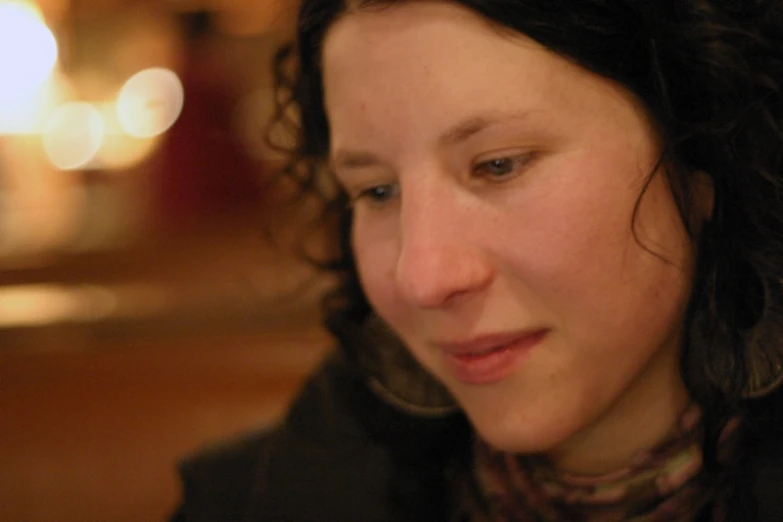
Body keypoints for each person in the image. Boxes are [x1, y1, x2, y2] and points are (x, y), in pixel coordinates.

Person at [170, 1, 783, 520]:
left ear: (701, 159)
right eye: (377, 191)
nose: (423, 278)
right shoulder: (250, 500)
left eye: (499, 164)